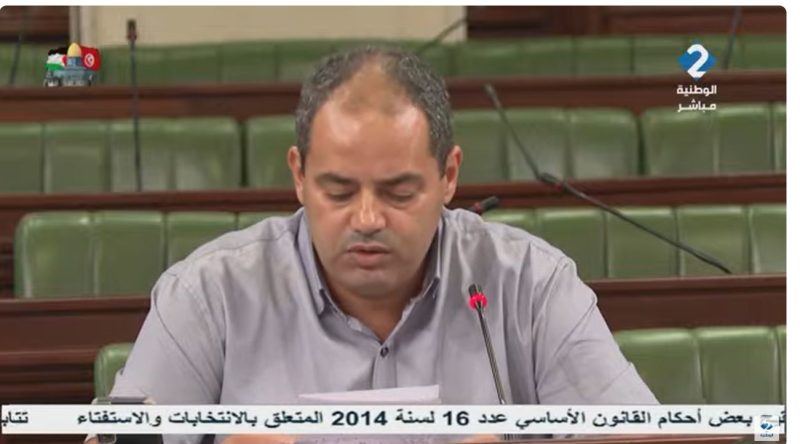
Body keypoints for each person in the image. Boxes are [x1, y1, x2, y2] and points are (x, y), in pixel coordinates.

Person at [92, 46, 657, 444]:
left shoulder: (530, 283)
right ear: (299, 175)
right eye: (339, 192)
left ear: (449, 175)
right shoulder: (210, 294)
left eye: (398, 192)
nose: (367, 219)